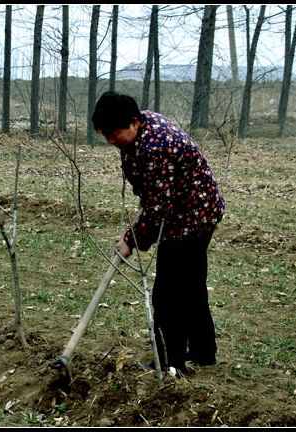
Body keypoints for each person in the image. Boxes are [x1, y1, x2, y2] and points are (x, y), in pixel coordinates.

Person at [91, 91, 225, 376]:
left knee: (169, 293)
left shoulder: (157, 146)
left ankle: (171, 362)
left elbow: (157, 208)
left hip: (191, 217)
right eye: (106, 135)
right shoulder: (143, 130)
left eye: (114, 133)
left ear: (134, 123)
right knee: (191, 287)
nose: (111, 140)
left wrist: (131, 240)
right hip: (194, 210)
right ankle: (203, 352)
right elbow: (154, 195)